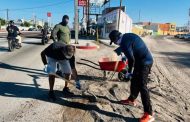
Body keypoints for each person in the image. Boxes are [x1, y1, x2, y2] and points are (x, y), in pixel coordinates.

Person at [109, 30, 154, 122]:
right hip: (139, 61)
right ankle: (131, 100)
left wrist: (129, 72)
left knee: (142, 85)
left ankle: (149, 114)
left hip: (146, 62)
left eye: (114, 42)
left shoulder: (124, 43)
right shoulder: (126, 37)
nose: (115, 44)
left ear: (117, 39)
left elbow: (131, 59)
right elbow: (129, 47)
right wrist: (121, 52)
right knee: (134, 81)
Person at [52, 15, 80, 84]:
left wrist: (69, 41)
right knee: (60, 58)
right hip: (60, 46)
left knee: (68, 58)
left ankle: (66, 71)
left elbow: (69, 34)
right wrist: (55, 42)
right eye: (65, 21)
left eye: (67, 21)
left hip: (67, 45)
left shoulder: (67, 26)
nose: (66, 22)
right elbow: (53, 34)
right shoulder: (58, 26)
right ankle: (59, 71)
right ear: (63, 19)